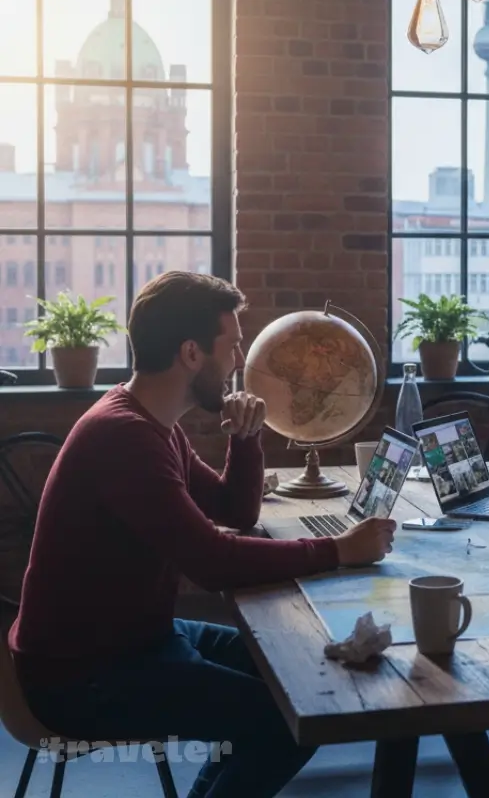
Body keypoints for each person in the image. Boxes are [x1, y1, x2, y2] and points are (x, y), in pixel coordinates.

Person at [10, 272, 396, 798]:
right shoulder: (124, 437)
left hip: (137, 641)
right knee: (292, 718)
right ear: (192, 353)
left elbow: (234, 512)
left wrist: (247, 438)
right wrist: (338, 551)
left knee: (297, 674)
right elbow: (213, 563)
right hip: (81, 678)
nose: (240, 361)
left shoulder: (151, 422)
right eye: (232, 345)